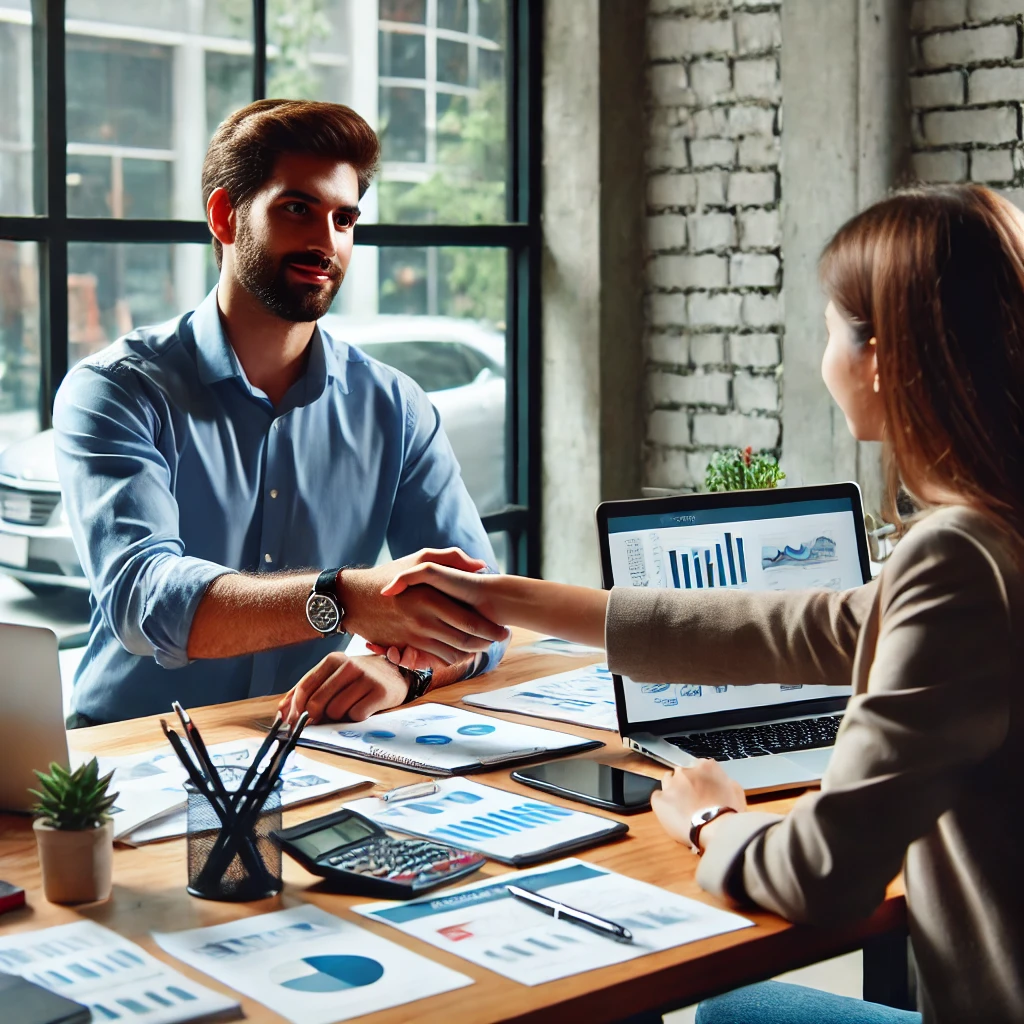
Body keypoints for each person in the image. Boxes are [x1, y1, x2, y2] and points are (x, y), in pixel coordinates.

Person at [372, 184, 1024, 1023]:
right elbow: (793, 628)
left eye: (828, 326)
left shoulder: (960, 558)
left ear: (879, 358)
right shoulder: (994, 532)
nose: (821, 350)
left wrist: (710, 818)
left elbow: (823, 875)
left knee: (728, 1012)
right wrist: (511, 599)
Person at [53, 99, 508, 727]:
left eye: (344, 219)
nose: (327, 243)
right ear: (224, 216)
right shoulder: (117, 391)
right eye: (298, 208)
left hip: (311, 750)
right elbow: (147, 601)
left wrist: (403, 672)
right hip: (136, 755)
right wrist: (343, 600)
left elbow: (484, 616)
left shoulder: (395, 407)